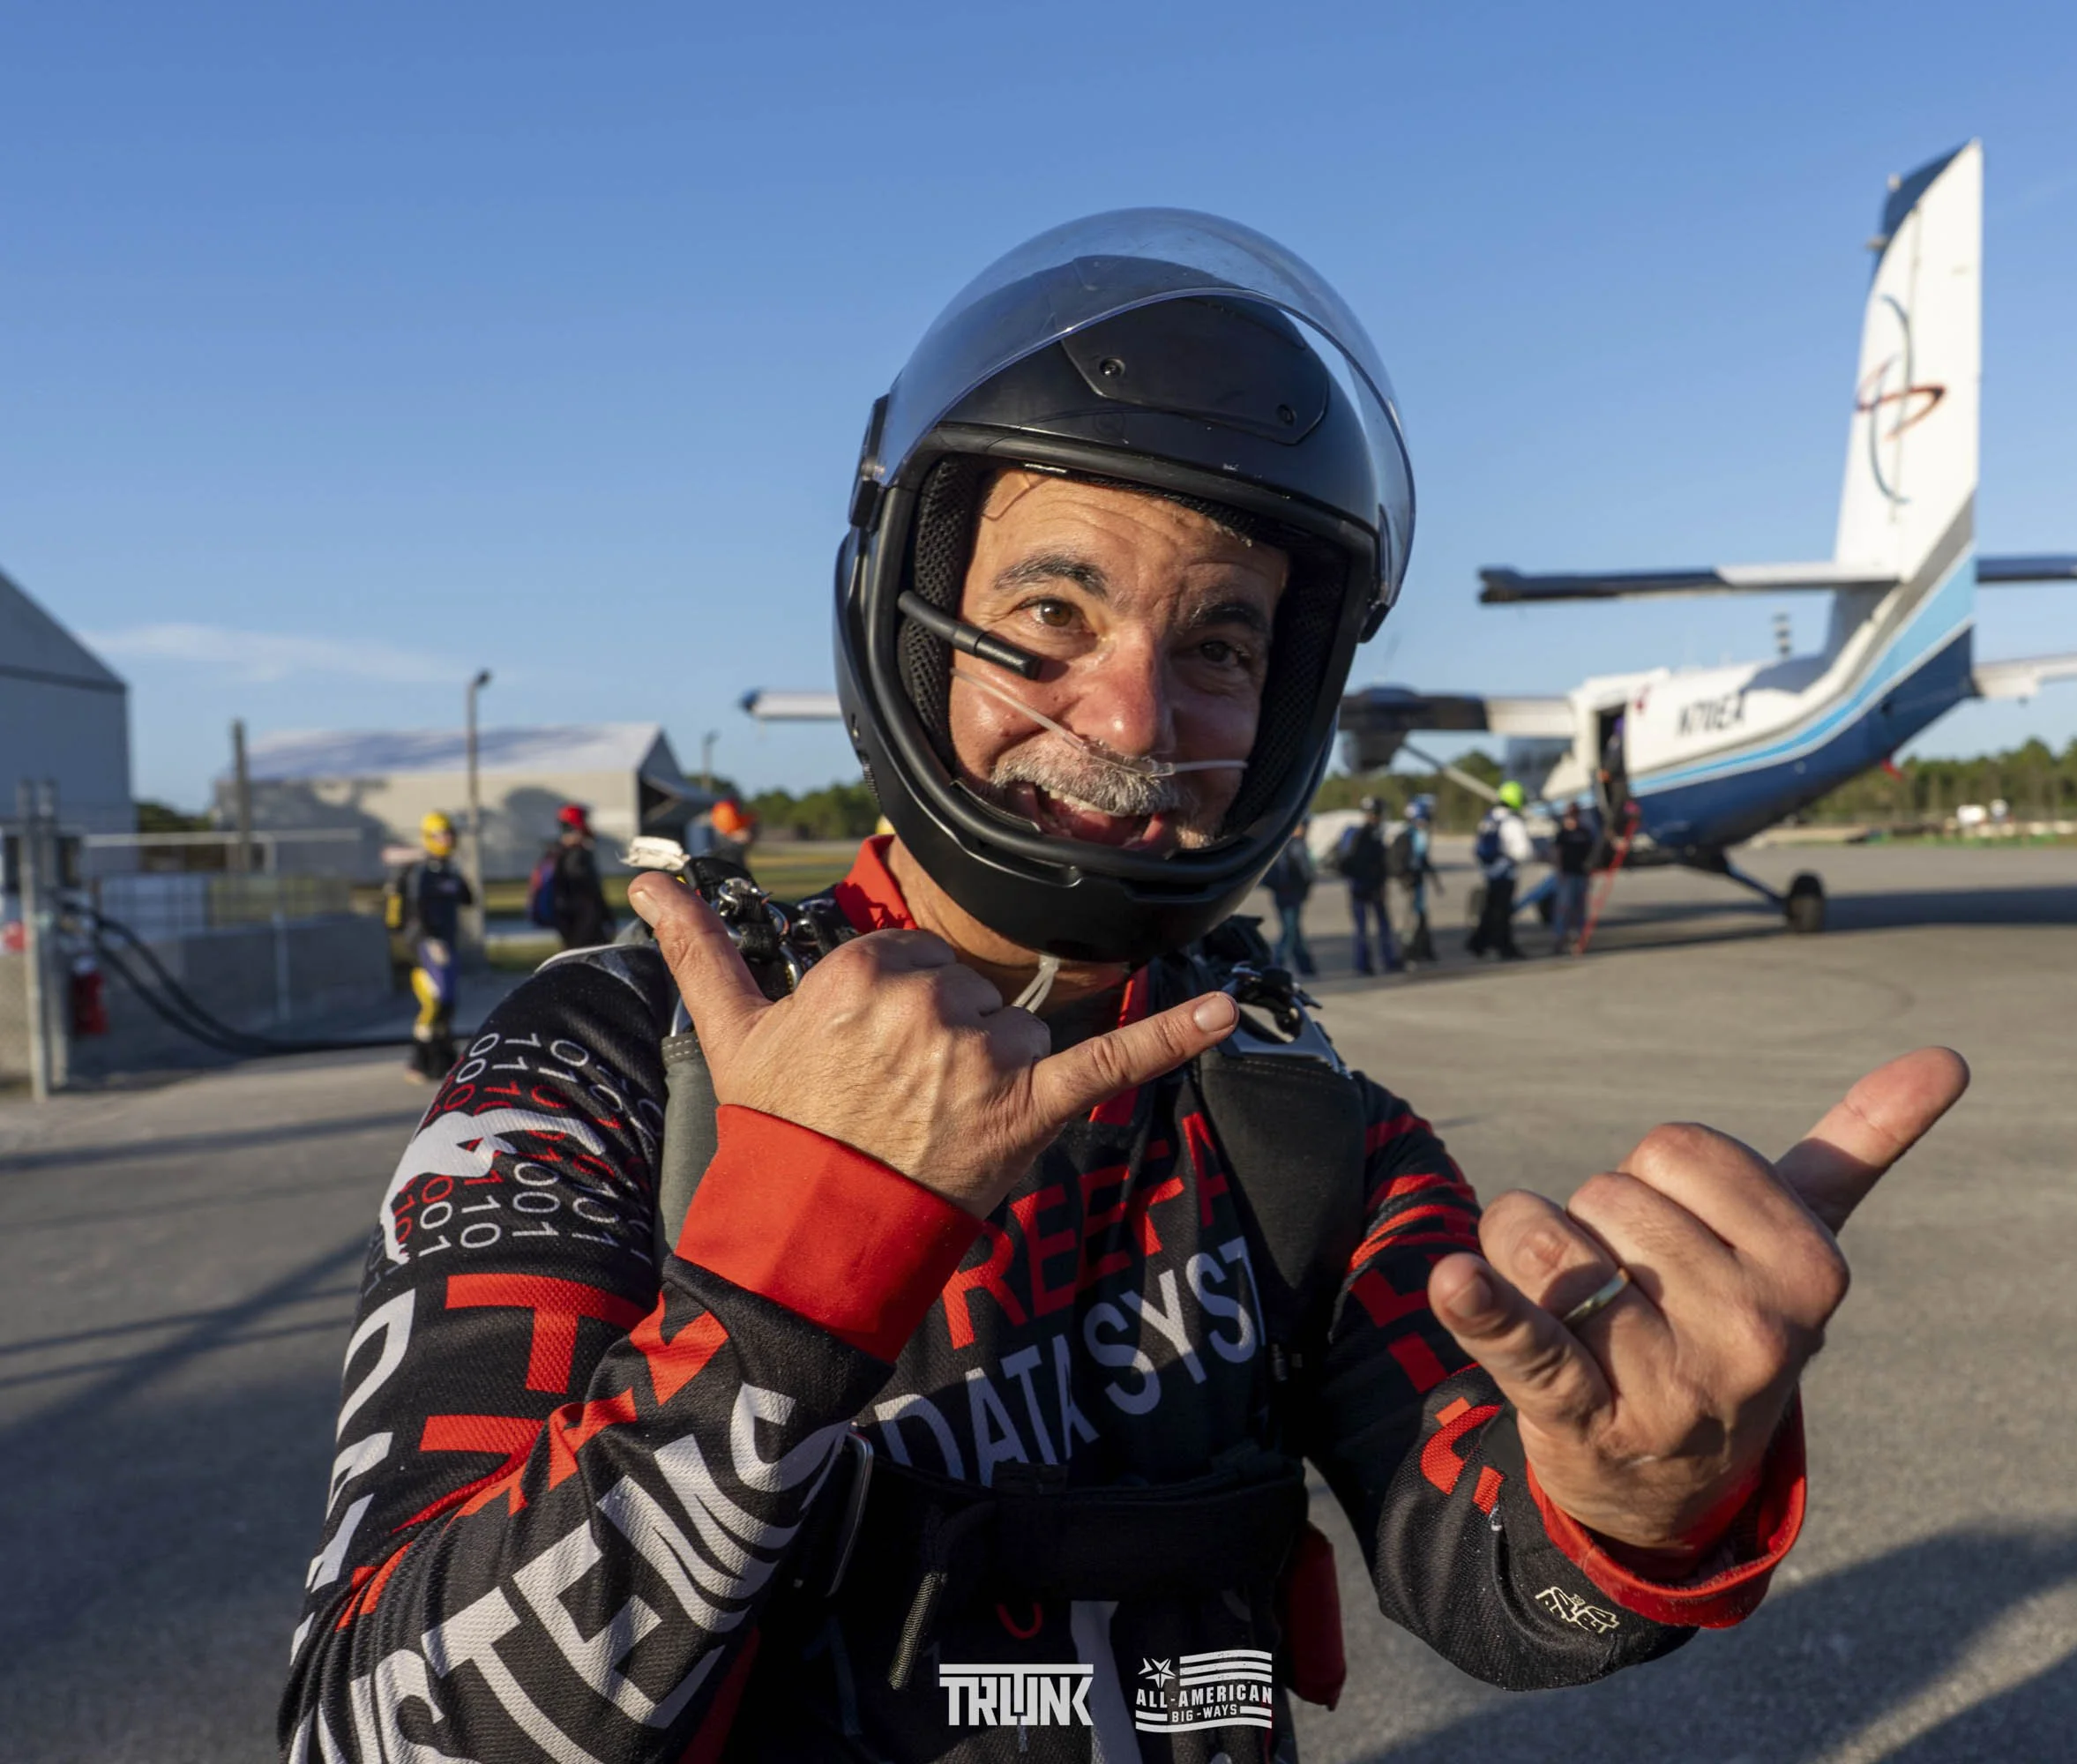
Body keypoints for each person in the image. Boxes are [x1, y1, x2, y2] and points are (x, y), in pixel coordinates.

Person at [285, 212, 1967, 1764]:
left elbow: (1496, 1564)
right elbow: (372, 1728)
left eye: (1221, 645)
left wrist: (1641, 1497)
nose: (1133, 716)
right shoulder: (620, 1049)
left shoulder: (1297, 1123)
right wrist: (798, 1251)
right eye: (1048, 612)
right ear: (912, 619)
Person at [384, 810, 474, 1082]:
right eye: (441, 835)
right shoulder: (421, 871)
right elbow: (414, 911)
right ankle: (420, 1059)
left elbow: (467, 898)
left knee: (448, 1003)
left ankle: (444, 1059)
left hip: (447, 943)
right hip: (427, 945)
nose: (447, 839)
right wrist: (429, 940)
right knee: (433, 1002)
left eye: (450, 834)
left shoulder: (448, 868)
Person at [1466, 781, 1535, 960]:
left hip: (1490, 871)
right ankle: (1504, 946)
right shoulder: (1512, 822)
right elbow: (1524, 851)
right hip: (1506, 872)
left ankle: (1479, 943)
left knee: (1491, 908)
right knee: (1502, 911)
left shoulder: (1489, 819)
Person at [1333, 794, 1401, 975]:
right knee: (1373, 927)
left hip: (1363, 888)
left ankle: (1368, 963)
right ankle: (1375, 962)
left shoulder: (1366, 835)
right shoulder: (1366, 836)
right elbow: (1371, 864)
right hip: (1366, 889)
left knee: (1368, 928)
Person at [547, 801, 615, 949]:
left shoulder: (556, 851)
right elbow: (588, 886)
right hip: (582, 914)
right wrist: (606, 915)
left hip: (566, 914)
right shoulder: (576, 853)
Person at [1261, 815, 1319, 975]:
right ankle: (1275, 965)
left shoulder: (1288, 845)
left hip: (1289, 895)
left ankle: (1305, 965)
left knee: (1294, 930)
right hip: (1288, 895)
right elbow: (1306, 872)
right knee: (1289, 931)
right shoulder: (1293, 846)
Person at [1395, 791, 1441, 964]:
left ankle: (1424, 950)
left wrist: (1435, 881)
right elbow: (1403, 862)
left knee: (1420, 916)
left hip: (1418, 881)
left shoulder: (1418, 835)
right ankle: (1408, 953)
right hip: (1412, 882)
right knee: (1411, 919)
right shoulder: (1409, 836)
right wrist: (1406, 878)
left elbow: (1424, 859)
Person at [1550, 799, 1597, 955]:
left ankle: (1579, 939)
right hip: (1567, 874)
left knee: (1579, 908)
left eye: (1575, 814)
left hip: (1581, 874)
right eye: (1570, 815)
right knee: (1564, 907)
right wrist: (1559, 872)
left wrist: (1591, 873)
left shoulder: (1585, 832)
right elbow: (1557, 854)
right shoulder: (1563, 833)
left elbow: (1591, 854)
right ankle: (1560, 937)